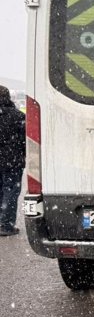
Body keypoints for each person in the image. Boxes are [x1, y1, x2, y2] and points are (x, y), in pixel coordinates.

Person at [0, 85, 26, 236]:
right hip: (12, 161)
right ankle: (6, 225)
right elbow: (25, 141)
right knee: (10, 191)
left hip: (9, 160)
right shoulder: (18, 116)